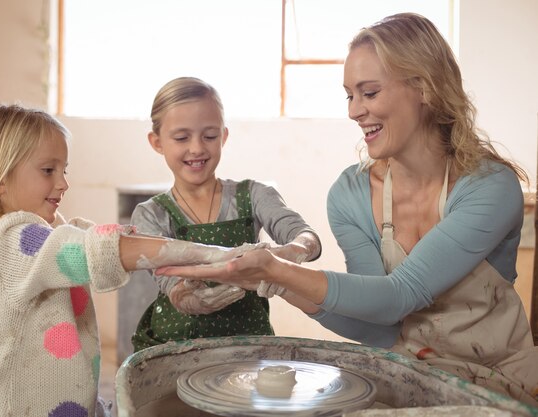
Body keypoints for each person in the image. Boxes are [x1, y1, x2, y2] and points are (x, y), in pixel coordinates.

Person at [155, 14, 538, 406]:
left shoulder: (490, 186)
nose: (354, 111)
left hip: (498, 385)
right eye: (349, 95)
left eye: (369, 93)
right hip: (408, 376)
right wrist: (276, 284)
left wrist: (280, 269)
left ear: (424, 88)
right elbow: (379, 326)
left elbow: (399, 296)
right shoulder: (351, 194)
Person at [0, 103, 261, 417]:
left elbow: (99, 239)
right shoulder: (8, 240)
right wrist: (213, 254)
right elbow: (96, 249)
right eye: (48, 170)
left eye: (64, 170)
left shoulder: (52, 230)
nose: (63, 183)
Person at [130, 77, 322, 351]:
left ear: (224, 136)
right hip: (174, 347)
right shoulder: (151, 214)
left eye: (209, 136)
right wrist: (189, 299)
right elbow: (168, 280)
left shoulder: (254, 195)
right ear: (157, 141)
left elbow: (305, 236)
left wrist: (291, 254)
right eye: (182, 137)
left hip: (247, 344)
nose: (197, 148)